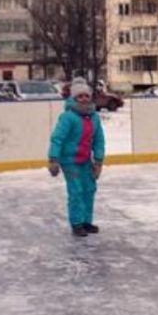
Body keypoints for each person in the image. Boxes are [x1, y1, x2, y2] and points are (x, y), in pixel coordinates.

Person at [48, 78, 105, 237]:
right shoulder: (67, 117)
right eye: (80, 96)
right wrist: (53, 159)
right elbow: (57, 138)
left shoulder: (94, 117)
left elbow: (99, 140)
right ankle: (77, 223)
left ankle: (86, 221)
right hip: (69, 161)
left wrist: (98, 161)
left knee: (89, 189)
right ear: (73, 98)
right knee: (76, 191)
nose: (84, 99)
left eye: (86, 96)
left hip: (85, 161)